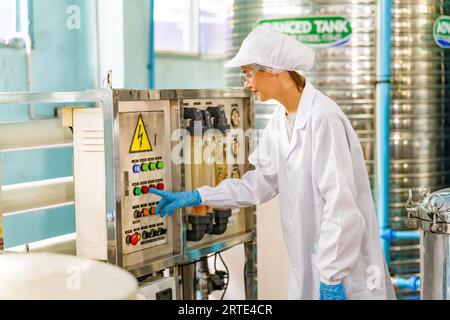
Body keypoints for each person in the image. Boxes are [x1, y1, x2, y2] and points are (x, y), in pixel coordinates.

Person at [150, 26, 396, 300]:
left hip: (345, 277)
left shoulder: (323, 119)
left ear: (276, 69)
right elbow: (260, 182)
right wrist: (200, 195)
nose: (246, 83)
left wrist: (331, 279)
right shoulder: (282, 119)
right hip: (310, 269)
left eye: (248, 73)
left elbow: (341, 208)